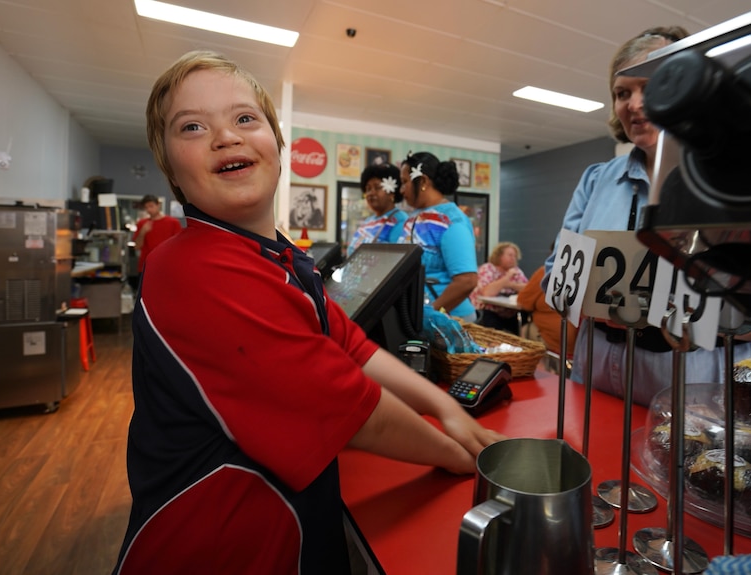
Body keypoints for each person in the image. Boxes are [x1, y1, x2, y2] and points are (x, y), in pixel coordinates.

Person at [112, 50, 504, 575]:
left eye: (244, 118)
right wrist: (458, 456)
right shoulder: (192, 269)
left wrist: (449, 408)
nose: (225, 137)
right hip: (224, 548)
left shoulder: (278, 254)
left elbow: (349, 344)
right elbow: (348, 407)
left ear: (278, 143)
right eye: (192, 127)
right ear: (172, 174)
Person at [543, 26, 751, 406]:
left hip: (693, 383)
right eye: (622, 93)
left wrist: (674, 316)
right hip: (596, 371)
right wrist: (594, 302)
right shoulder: (596, 181)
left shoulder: (733, 180)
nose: (634, 104)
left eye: (651, 86)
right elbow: (555, 278)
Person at [398, 151, 478, 322]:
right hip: (417, 317)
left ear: (424, 181)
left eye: (405, 182)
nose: (401, 189)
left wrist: (432, 313)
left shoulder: (452, 221)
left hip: (450, 320)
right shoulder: (413, 217)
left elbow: (467, 281)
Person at [517, 263, 578, 357]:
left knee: (523, 329)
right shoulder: (581, 273)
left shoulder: (545, 272)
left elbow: (523, 303)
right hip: (582, 342)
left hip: (557, 338)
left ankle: (536, 367)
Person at [346, 163, 407, 256]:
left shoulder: (400, 221)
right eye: (368, 188)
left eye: (377, 187)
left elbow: (396, 259)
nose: (371, 193)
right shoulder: (367, 222)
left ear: (392, 193)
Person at [469, 242, 528, 334]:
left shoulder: (516, 271)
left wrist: (511, 285)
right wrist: (506, 278)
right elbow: (487, 293)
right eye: (510, 255)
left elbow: (528, 289)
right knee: (491, 320)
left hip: (509, 312)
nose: (513, 258)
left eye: (515, 256)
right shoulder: (487, 269)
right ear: (499, 256)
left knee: (526, 315)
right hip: (487, 311)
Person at [131, 194, 182, 274]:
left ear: (158, 205)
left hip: (166, 264)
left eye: (151, 206)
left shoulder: (173, 222)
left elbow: (179, 245)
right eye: (146, 207)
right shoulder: (142, 223)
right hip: (146, 265)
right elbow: (137, 246)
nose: (149, 210)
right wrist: (143, 232)